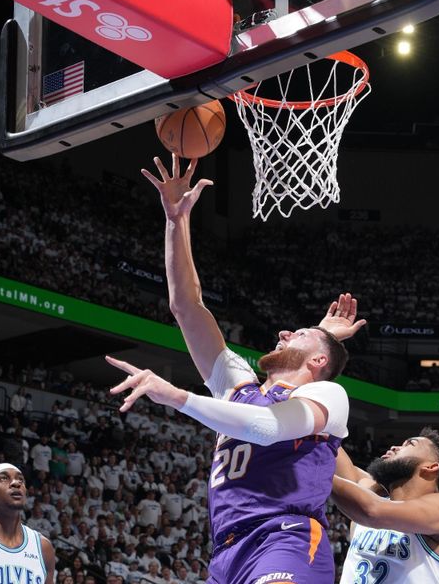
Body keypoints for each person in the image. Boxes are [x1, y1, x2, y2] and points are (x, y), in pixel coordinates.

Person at [107, 154, 366, 584]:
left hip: (284, 538)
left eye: (297, 333)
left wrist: (177, 396)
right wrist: (176, 221)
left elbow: (265, 427)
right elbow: (186, 307)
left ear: (319, 361)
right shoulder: (239, 385)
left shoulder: (329, 396)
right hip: (225, 552)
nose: (283, 331)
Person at [333, 428, 439, 583]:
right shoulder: (373, 493)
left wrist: (315, 474)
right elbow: (330, 454)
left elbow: (372, 511)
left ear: (431, 466)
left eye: (409, 444)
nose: (394, 447)